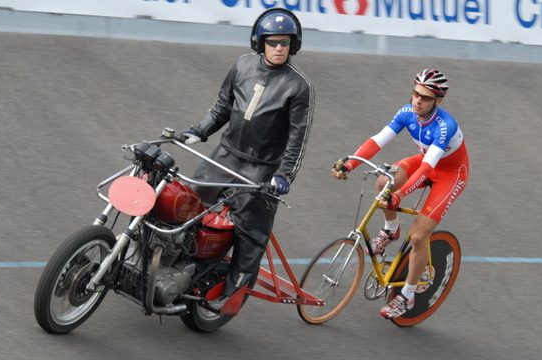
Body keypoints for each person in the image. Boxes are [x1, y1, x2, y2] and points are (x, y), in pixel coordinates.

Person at [180, 8, 314, 312]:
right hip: (225, 155)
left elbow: (297, 136)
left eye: (285, 42)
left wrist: (284, 175)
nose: (279, 47)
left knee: (251, 232)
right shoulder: (242, 64)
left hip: (262, 170)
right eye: (273, 41)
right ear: (260, 42)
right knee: (187, 205)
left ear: (294, 44)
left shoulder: (299, 85)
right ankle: (179, 262)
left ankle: (232, 292)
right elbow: (221, 107)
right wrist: (199, 131)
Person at [331, 69, 468, 319]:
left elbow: (428, 169)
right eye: (415, 94)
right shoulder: (407, 113)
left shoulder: (445, 126)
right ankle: (390, 230)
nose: (417, 100)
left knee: (417, 237)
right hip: (424, 160)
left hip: (449, 174)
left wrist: (401, 195)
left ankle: (407, 295)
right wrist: (350, 163)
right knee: (384, 182)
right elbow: (377, 141)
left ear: (437, 101)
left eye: (425, 98)